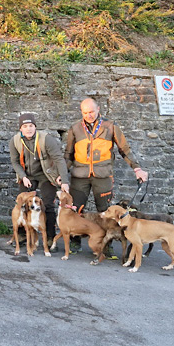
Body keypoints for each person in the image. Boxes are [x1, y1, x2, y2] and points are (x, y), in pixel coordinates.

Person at [64, 98, 148, 255]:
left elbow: (125, 149)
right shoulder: (75, 128)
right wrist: (61, 175)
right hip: (79, 176)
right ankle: (75, 243)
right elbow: (68, 154)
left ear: (98, 109)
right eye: (85, 112)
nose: (88, 115)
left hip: (103, 176)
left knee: (106, 211)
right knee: (75, 210)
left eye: (91, 111)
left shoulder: (110, 126)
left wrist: (137, 169)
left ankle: (107, 244)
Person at [9, 113, 69, 247]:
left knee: (47, 205)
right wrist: (23, 176)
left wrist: (64, 180)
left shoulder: (46, 139)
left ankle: (50, 238)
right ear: (21, 128)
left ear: (35, 126)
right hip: (27, 176)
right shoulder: (15, 141)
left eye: (31, 126)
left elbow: (59, 159)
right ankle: (23, 235)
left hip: (45, 175)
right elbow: (14, 162)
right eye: (25, 126)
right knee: (22, 204)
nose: (28, 129)